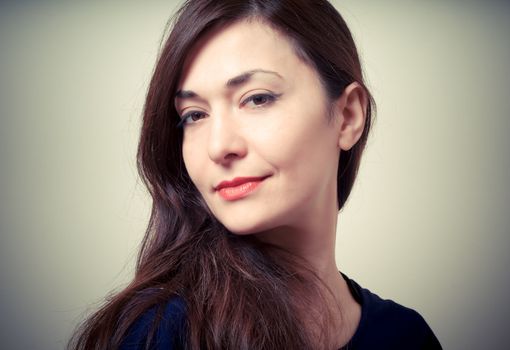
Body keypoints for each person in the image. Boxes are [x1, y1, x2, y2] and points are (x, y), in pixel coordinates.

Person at [69, 0, 442, 349]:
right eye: (194, 115)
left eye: (257, 98)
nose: (219, 146)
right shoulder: (161, 332)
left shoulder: (406, 336)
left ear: (347, 116)